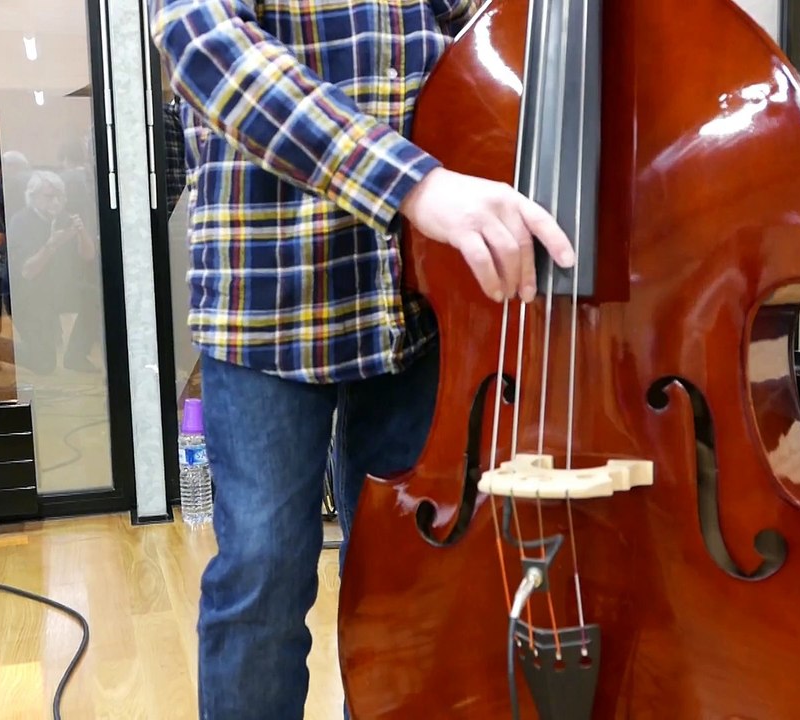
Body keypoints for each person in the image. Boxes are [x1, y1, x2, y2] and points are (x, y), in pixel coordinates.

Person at [148, 1, 575, 718]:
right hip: (268, 288)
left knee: (404, 579)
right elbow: (205, 46)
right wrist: (411, 182)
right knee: (262, 577)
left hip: (424, 297)